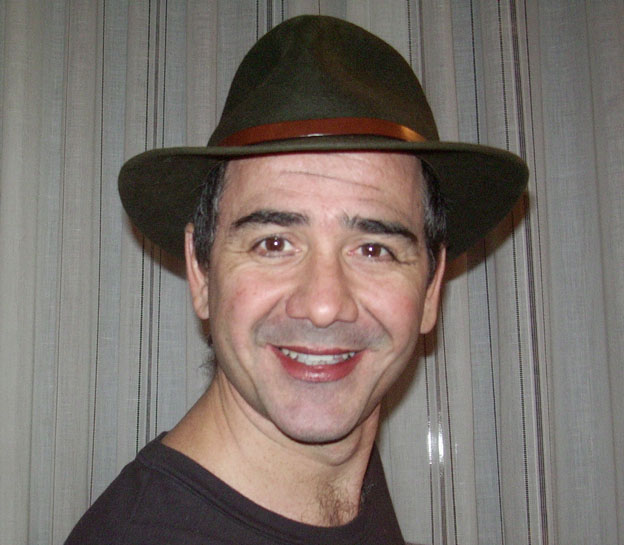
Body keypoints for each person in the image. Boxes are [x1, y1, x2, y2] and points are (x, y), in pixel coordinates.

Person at [65, 15, 527, 545]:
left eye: (373, 249)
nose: (324, 306)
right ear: (201, 270)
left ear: (430, 287)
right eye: (273, 244)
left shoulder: (344, 470)